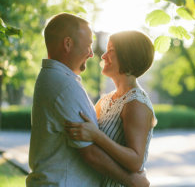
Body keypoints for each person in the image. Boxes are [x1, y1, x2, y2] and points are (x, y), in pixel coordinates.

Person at [26, 13, 149, 187]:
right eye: (89, 45)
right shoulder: (65, 86)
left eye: (110, 51)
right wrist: (132, 181)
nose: (94, 54)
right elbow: (90, 152)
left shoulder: (58, 80)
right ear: (68, 44)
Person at [64, 30, 157, 186]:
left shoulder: (136, 103)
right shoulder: (106, 100)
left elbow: (135, 161)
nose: (103, 55)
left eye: (111, 50)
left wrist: (96, 136)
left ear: (128, 55)